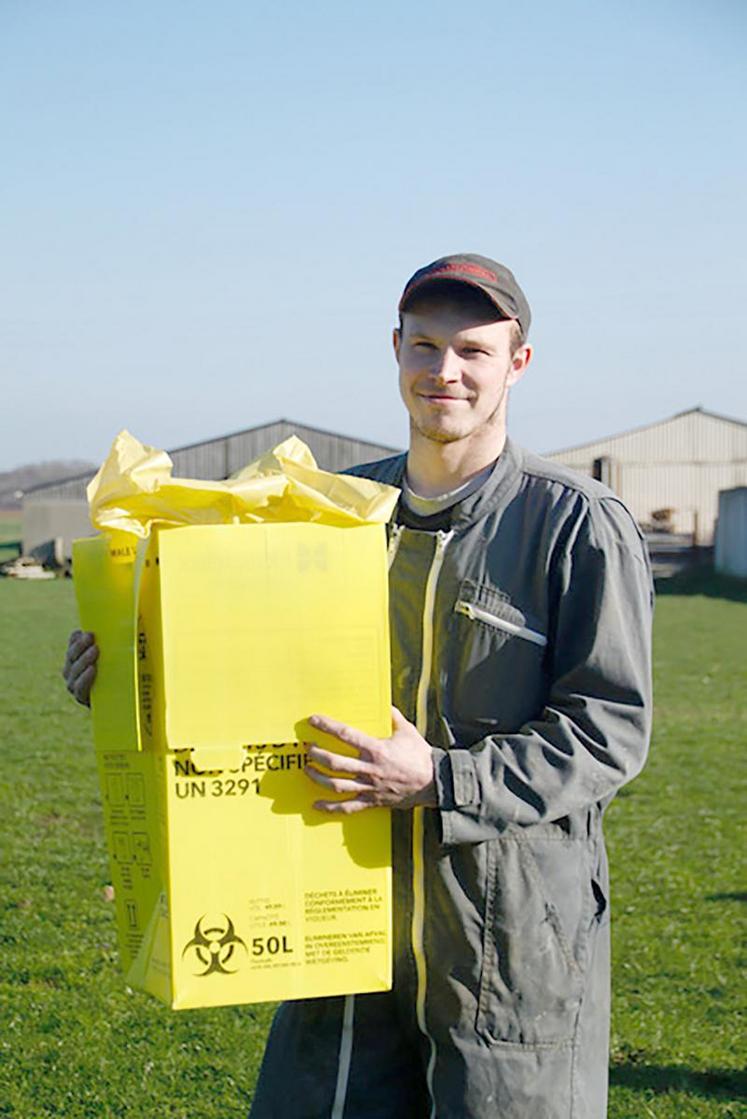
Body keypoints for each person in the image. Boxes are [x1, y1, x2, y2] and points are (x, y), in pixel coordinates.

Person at [64, 253, 653, 1119]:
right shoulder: (332, 511)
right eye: (423, 345)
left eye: (472, 350)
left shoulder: (576, 523)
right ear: (395, 349)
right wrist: (133, 668)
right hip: (333, 914)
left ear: (516, 363)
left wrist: (441, 779)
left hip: (504, 935)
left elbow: (607, 729)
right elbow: (239, 660)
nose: (444, 370)